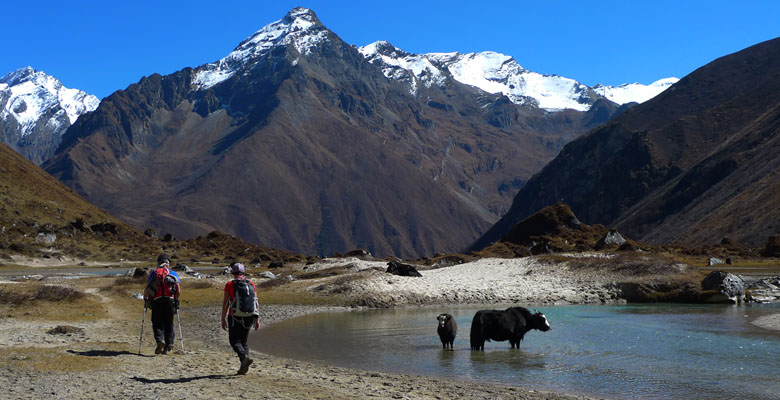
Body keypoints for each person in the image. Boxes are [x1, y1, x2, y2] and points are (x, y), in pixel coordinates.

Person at [221, 262, 260, 375]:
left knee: (234, 341)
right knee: (244, 341)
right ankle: (244, 364)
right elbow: (256, 302)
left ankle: (244, 358)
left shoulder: (230, 284)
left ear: (233, 272)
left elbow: (225, 303)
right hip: (250, 315)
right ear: (243, 272)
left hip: (234, 316)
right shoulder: (251, 284)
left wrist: (223, 318)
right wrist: (257, 319)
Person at [144, 254, 181, 355]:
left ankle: (160, 340)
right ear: (167, 263)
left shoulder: (153, 273)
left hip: (157, 301)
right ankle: (169, 344)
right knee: (169, 323)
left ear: (158, 262)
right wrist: (176, 300)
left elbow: (147, 289)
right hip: (170, 301)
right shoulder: (172, 273)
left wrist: (146, 299)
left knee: (157, 322)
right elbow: (178, 290)